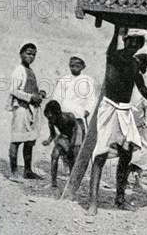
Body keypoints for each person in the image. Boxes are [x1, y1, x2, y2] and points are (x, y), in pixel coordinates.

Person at [87, 28, 147, 216]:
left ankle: (120, 198)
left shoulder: (135, 63)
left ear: (141, 45)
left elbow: (141, 87)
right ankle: (93, 203)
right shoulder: (114, 56)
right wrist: (117, 28)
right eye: (131, 40)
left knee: (127, 153)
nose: (134, 44)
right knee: (100, 154)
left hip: (125, 110)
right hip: (109, 108)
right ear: (125, 41)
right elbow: (111, 46)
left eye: (138, 42)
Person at [7, 43, 46, 181]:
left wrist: (39, 93)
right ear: (21, 54)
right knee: (17, 140)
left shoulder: (30, 70)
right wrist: (30, 97)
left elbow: (30, 88)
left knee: (29, 140)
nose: (31, 56)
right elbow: (13, 90)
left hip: (32, 109)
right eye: (28, 53)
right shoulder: (19, 70)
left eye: (34, 54)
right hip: (21, 108)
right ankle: (14, 173)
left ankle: (28, 171)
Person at [129, 53, 147, 188]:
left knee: (146, 143)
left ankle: (136, 174)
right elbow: (143, 91)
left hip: (144, 110)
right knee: (146, 142)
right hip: (139, 111)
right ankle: (133, 169)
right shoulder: (137, 76)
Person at [42, 100, 83, 189]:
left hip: (76, 135)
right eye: (48, 118)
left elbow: (75, 132)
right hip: (64, 136)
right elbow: (53, 134)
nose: (49, 120)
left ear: (57, 114)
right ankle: (53, 182)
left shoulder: (69, 117)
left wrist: (71, 146)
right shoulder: (51, 121)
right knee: (54, 155)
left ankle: (73, 183)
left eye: (51, 117)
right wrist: (48, 141)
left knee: (71, 159)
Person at [52, 54, 95, 136]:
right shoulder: (64, 79)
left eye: (77, 66)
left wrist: (88, 109)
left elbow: (91, 97)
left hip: (79, 113)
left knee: (79, 135)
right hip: (65, 112)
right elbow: (57, 96)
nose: (74, 68)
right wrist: (57, 110)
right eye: (72, 66)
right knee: (65, 135)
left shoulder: (87, 80)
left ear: (83, 66)